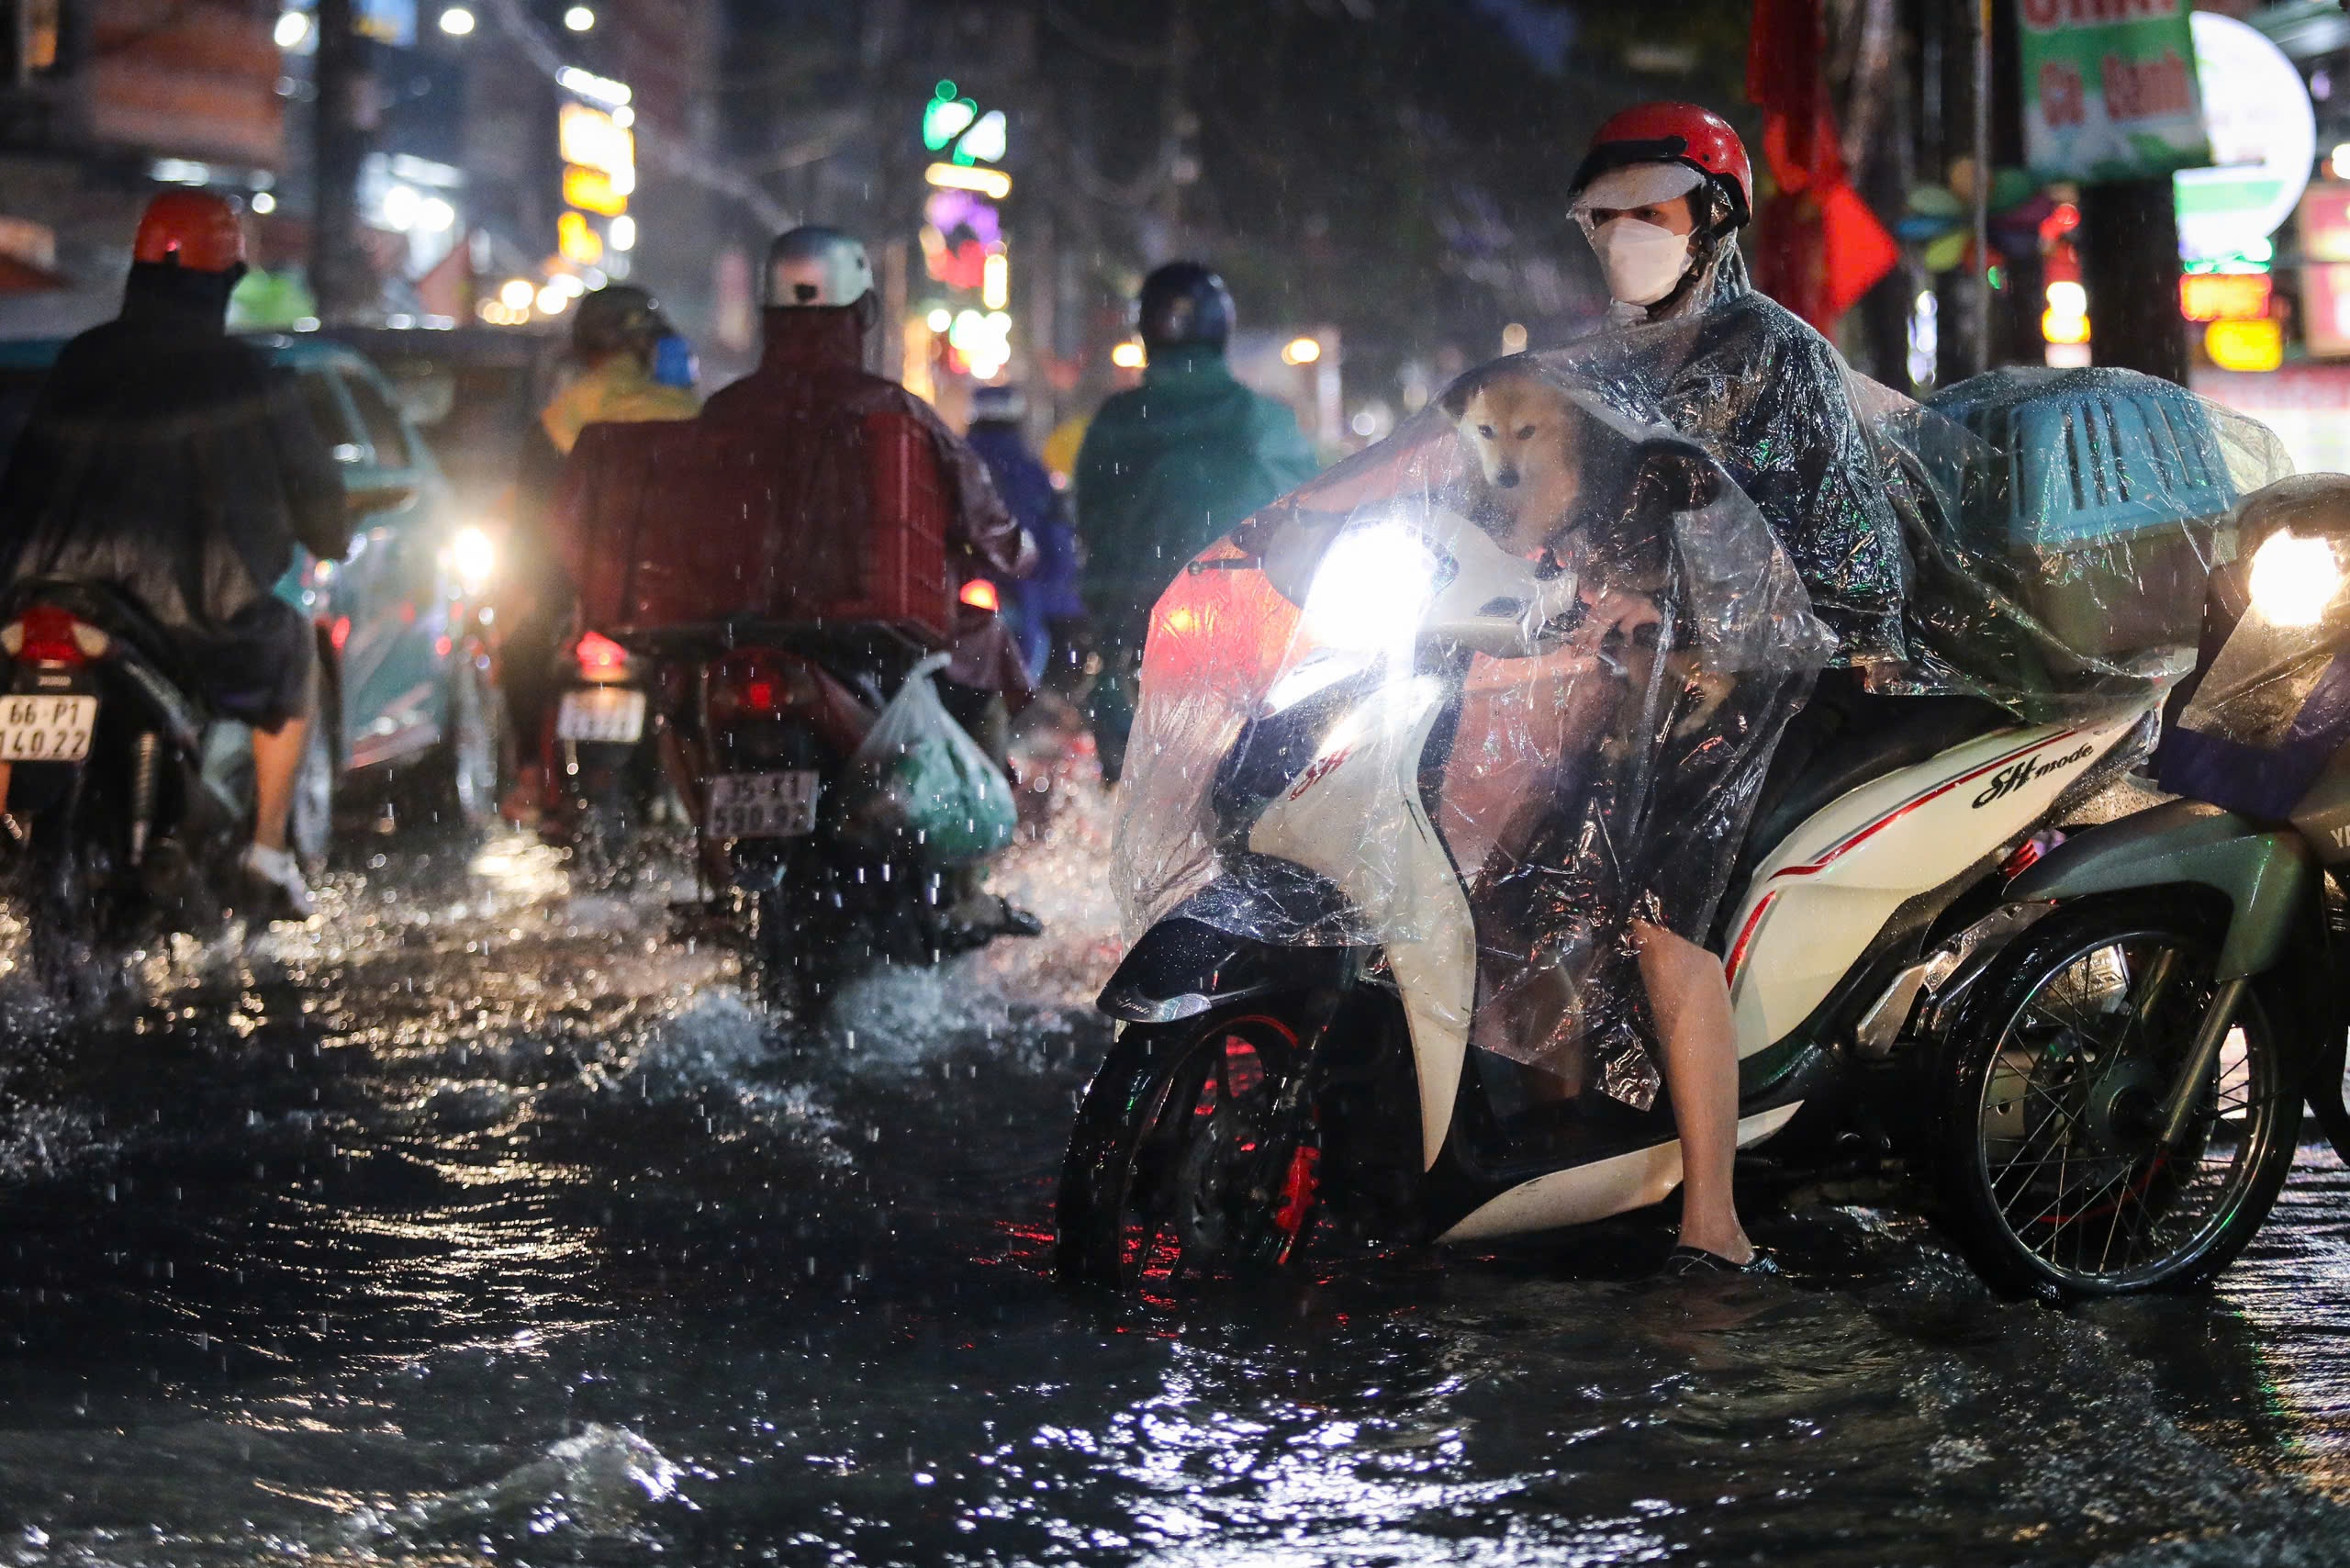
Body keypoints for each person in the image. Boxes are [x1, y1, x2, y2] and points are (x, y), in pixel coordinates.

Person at [1561, 103, 1907, 1277]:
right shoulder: (1602, 363)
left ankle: (1712, 1216)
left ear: (1711, 220)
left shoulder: (1776, 352)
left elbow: (1851, 570)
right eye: (1603, 218)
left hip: (1756, 685)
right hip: (1630, 677)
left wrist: (1699, 618)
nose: (1622, 238)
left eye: (1647, 213)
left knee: (1658, 919)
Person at [0, 190, 348, 918]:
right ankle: (267, 855)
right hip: (189, 620)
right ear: (223, 280)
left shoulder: (81, 360)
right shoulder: (252, 376)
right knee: (293, 647)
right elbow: (320, 504)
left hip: (43, 594)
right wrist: (326, 532)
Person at [699, 226, 1039, 939]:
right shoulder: (893, 410)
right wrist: (1012, 549)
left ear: (768, 318)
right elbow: (984, 516)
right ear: (861, 318)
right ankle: (966, 887)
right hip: (869, 636)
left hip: (743, 632)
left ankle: (716, 883)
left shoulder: (723, 414)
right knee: (983, 656)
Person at [1074, 263, 1319, 780]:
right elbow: (1313, 516)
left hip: (1141, 632)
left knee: (1128, 780)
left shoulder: (1116, 423)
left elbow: (1092, 526)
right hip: (1251, 636)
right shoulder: (1266, 421)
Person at [501, 285, 701, 825]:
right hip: (671, 594)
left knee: (519, 651)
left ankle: (528, 777)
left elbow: (530, 524)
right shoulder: (687, 411)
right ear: (644, 344)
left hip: (576, 592)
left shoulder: (558, 418)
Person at [964, 383, 1082, 685]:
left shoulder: (956, 464)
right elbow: (1055, 538)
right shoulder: (1031, 474)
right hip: (1021, 593)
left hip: (959, 590)